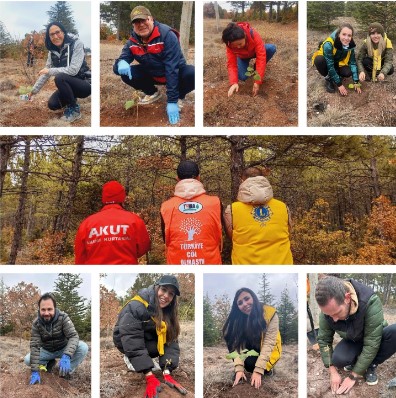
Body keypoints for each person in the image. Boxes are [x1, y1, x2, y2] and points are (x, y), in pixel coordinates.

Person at [113, 6, 195, 125]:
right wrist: (120, 63)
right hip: (152, 73)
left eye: (143, 20)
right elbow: (119, 64)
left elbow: (172, 68)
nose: (140, 25)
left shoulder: (167, 35)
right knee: (126, 74)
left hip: (175, 73)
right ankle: (152, 92)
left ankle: (179, 96)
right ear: (133, 26)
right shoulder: (131, 41)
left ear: (151, 19)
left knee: (193, 74)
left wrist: (171, 100)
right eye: (136, 22)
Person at [315, 276, 396, 395]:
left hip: (375, 337)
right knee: (338, 359)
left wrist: (353, 376)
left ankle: (372, 363)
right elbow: (323, 340)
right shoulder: (328, 311)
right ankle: (356, 361)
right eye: (329, 315)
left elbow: (372, 343)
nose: (334, 319)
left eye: (337, 313)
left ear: (347, 298)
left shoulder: (369, 301)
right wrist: (332, 370)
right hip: (354, 339)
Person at [113, 275, 188, 397]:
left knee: (167, 336)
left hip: (147, 337)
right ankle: (130, 358)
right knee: (135, 346)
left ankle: (148, 361)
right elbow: (131, 338)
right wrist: (149, 376)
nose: (166, 296)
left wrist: (167, 371)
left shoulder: (167, 311)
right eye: (163, 290)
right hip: (125, 340)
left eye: (171, 294)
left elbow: (171, 340)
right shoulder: (136, 306)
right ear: (156, 287)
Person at [224, 167, 293, 265]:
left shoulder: (232, 209)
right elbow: (288, 231)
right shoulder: (282, 207)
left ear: (242, 181)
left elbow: (231, 236)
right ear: (263, 179)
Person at [160, 160, 222, 265]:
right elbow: (219, 236)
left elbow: (166, 239)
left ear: (177, 179)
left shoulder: (166, 207)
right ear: (199, 177)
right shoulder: (215, 203)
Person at [75, 180, 150, 265]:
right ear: (122, 198)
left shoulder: (87, 224)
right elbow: (143, 247)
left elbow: (80, 257)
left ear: (103, 198)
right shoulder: (134, 220)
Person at [29, 21, 91, 123]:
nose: (55, 36)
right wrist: (33, 91)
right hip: (69, 84)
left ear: (63, 32)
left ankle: (74, 110)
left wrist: (50, 70)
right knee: (52, 105)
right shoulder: (52, 52)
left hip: (84, 83)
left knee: (59, 77)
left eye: (58, 32)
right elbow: (46, 73)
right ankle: (71, 98)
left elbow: (73, 70)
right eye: (52, 34)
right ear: (49, 37)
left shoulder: (77, 44)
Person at [223, 288, 282, 390]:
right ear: (237, 307)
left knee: (255, 366)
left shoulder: (270, 313)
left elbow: (269, 343)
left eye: (247, 299)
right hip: (252, 347)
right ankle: (248, 368)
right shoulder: (240, 319)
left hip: (269, 349)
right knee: (248, 364)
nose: (245, 304)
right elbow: (238, 345)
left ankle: (269, 370)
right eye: (240, 303)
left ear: (253, 297)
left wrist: (258, 370)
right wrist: (239, 369)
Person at [24, 293, 88, 384]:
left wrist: (67, 355)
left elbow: (73, 336)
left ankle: (65, 372)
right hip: (47, 350)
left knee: (83, 347)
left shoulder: (63, 318)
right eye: (43, 309)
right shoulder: (36, 323)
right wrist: (35, 371)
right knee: (27, 360)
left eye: (49, 309)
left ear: (54, 308)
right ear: (39, 309)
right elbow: (35, 346)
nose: (46, 313)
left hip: (63, 348)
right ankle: (49, 363)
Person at [221, 22, 276, 98]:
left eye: (240, 44)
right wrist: (234, 82)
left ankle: (256, 68)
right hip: (242, 57)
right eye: (235, 46)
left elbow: (261, 57)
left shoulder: (253, 34)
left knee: (271, 48)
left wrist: (257, 81)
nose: (238, 47)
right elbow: (231, 64)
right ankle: (248, 67)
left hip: (255, 53)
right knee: (243, 77)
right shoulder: (229, 45)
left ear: (245, 35)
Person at [312, 23, 361, 96]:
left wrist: (356, 81)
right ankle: (328, 79)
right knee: (319, 60)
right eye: (344, 34)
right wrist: (339, 84)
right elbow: (330, 65)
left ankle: (336, 74)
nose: (346, 38)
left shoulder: (350, 45)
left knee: (347, 72)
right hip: (327, 60)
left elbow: (353, 63)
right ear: (339, 34)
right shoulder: (329, 44)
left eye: (349, 35)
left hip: (338, 61)